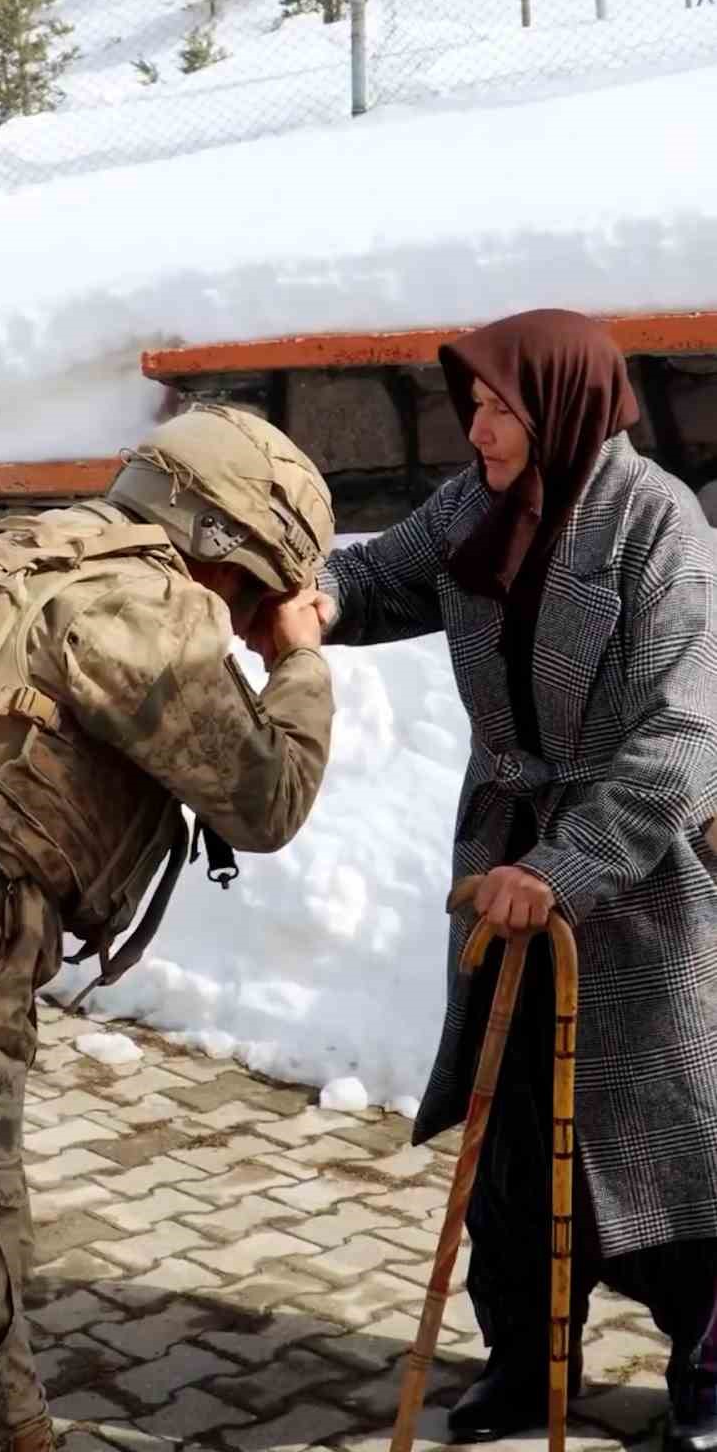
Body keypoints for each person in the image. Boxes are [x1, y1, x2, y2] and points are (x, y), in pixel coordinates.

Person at [0, 404, 335, 1452]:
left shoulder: (16, 554)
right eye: (255, 600)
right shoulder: (137, 603)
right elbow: (265, 798)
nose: (242, 623)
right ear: (235, 550)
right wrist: (298, 659)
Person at [317, 310, 717, 1452]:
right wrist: (317, 604)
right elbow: (384, 574)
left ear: (563, 409)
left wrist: (563, 867)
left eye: (500, 408)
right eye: (475, 406)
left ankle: (705, 1363)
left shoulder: (659, 529)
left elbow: (683, 740)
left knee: (662, 1124)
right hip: (506, 869)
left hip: (639, 883)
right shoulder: (476, 506)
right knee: (513, 1126)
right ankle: (530, 1352)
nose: (478, 429)